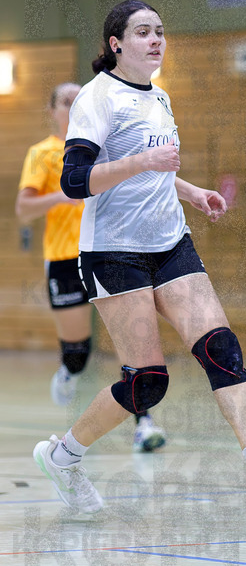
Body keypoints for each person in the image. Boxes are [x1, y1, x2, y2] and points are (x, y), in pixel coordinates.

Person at [31, 0, 246, 516]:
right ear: (116, 44)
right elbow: (75, 182)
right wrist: (144, 160)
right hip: (114, 252)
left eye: (160, 30)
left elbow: (153, 171)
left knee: (221, 348)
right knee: (147, 383)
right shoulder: (96, 99)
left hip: (170, 242)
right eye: (143, 32)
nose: (156, 39)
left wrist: (189, 190)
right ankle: (64, 456)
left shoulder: (160, 97)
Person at [16, 83, 168, 453]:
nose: (72, 106)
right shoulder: (42, 154)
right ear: (51, 110)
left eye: (77, 99)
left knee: (131, 346)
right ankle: (69, 368)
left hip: (111, 252)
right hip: (65, 258)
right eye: (65, 101)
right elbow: (24, 210)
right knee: (78, 351)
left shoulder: (104, 149)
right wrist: (69, 191)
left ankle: (143, 424)